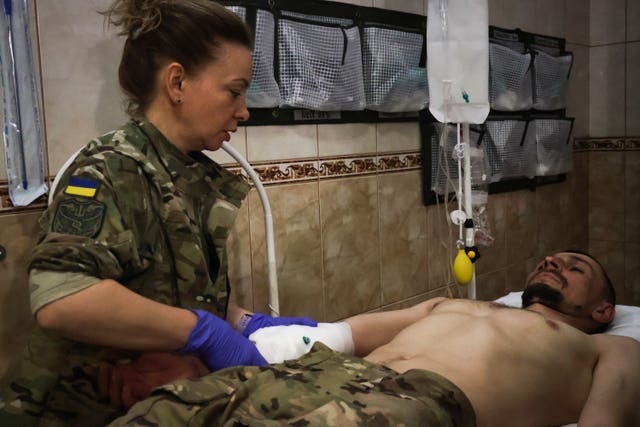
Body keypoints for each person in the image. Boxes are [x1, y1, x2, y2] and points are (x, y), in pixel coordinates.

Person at [0, 1, 317, 425]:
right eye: (234, 91)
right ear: (177, 82)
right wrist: (203, 332)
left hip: (157, 404)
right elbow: (63, 299)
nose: (243, 111)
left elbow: (174, 293)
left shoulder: (188, 176)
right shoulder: (109, 169)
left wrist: (242, 322)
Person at [93, 250, 639, 426]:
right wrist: (238, 325)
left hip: (416, 402)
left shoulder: (609, 348)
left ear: (603, 309)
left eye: (574, 267)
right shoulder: (455, 303)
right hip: (321, 373)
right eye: (550, 259)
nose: (554, 262)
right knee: (169, 411)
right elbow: (337, 334)